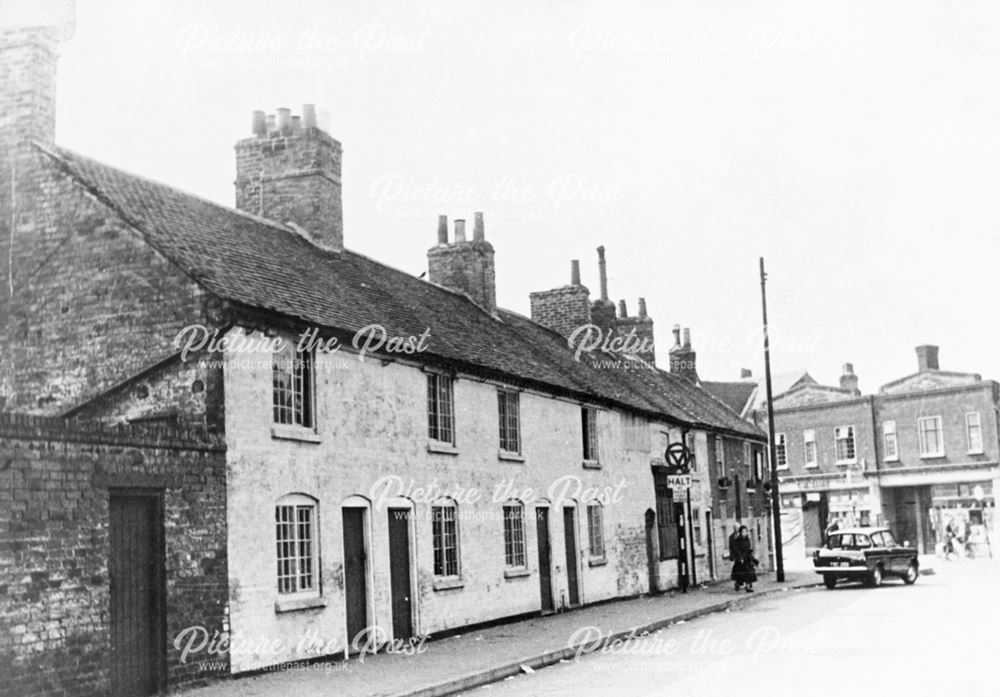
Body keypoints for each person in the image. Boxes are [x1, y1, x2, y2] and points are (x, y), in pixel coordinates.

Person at [731, 525, 758, 592]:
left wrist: (752, 556)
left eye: (746, 531)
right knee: (741, 574)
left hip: (747, 558)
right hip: (741, 559)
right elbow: (736, 550)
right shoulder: (737, 540)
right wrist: (740, 558)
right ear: (740, 532)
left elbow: (748, 548)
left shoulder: (747, 539)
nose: (744, 533)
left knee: (749, 572)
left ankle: (748, 586)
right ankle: (738, 583)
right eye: (743, 531)